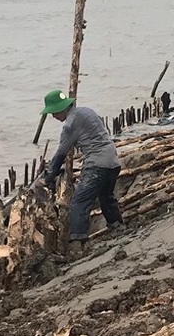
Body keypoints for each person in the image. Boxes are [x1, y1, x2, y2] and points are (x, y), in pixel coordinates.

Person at [40, 89, 125, 243]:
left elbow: (61, 153)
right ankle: (117, 226)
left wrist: (48, 178)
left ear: (61, 108)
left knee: (78, 204)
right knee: (106, 196)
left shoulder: (70, 125)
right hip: (113, 161)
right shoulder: (87, 112)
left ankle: (77, 243)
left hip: (97, 164)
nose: (53, 116)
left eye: (53, 112)